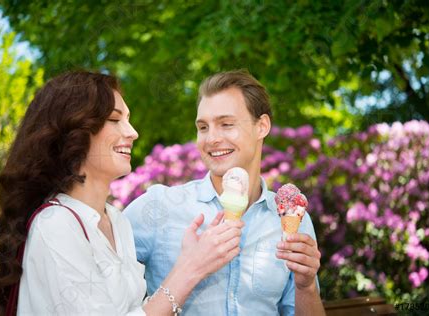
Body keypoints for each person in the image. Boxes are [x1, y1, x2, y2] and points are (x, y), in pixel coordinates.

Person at [0, 71, 243, 315]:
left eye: (127, 120)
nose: (133, 133)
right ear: (75, 131)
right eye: (115, 120)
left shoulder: (117, 222)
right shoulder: (56, 225)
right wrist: (190, 269)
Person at [124, 70, 325, 315]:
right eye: (203, 127)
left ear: (261, 126)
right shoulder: (159, 206)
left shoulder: (291, 218)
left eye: (226, 124)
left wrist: (306, 288)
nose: (212, 139)